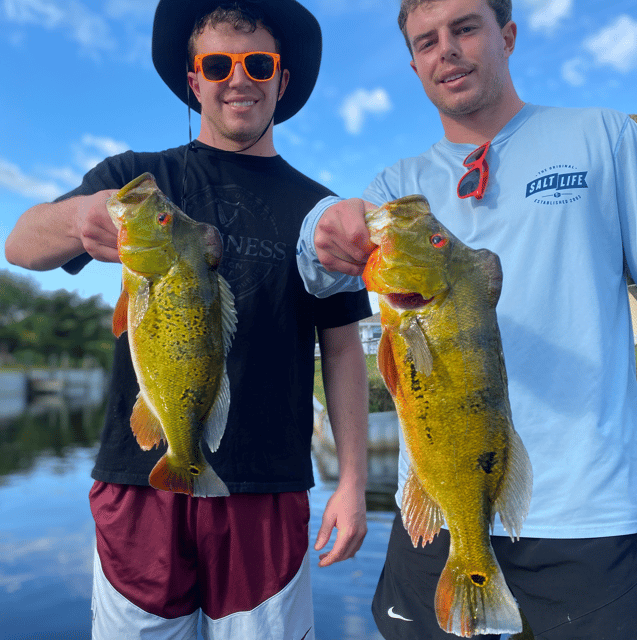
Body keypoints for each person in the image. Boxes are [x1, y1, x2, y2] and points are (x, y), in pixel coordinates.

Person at [5, 1, 372, 638]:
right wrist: (76, 218)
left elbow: (341, 351)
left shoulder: (319, 211)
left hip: (266, 485)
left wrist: (353, 483)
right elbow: (20, 245)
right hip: (141, 474)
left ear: (282, 81)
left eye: (259, 63)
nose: (240, 78)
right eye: (218, 64)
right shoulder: (134, 183)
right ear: (193, 80)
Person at [296, 0, 637, 638]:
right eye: (426, 41)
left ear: (507, 35)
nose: (445, 50)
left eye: (465, 28)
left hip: (588, 514)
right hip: (432, 519)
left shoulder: (604, 136)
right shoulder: (397, 185)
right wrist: (318, 229)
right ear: (414, 64)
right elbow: (313, 275)